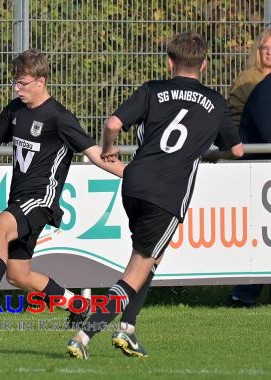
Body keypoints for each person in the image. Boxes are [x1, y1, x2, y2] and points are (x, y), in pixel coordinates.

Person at [66, 31, 244, 360]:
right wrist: (212, 151)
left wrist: (107, 149)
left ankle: (128, 329)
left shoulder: (153, 90)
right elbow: (236, 149)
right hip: (167, 193)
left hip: (133, 183)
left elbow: (113, 122)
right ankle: (84, 335)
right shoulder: (216, 102)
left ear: (170, 62)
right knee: (137, 270)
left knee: (149, 259)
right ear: (204, 64)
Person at [0, 49, 125, 327]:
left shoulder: (59, 117)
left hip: (41, 200)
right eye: (15, 82)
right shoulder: (15, 110)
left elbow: (95, 153)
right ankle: (79, 306)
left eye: (22, 83)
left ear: (41, 81)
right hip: (19, 199)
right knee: (18, 275)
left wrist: (133, 175)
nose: (17, 88)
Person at [228, 29, 271, 307]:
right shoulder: (252, 82)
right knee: (258, 230)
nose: (268, 52)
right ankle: (244, 292)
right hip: (253, 163)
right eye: (265, 47)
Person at [227, 29, 271, 128]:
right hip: (251, 134)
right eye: (265, 48)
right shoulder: (246, 78)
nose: (269, 52)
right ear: (258, 51)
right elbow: (235, 112)